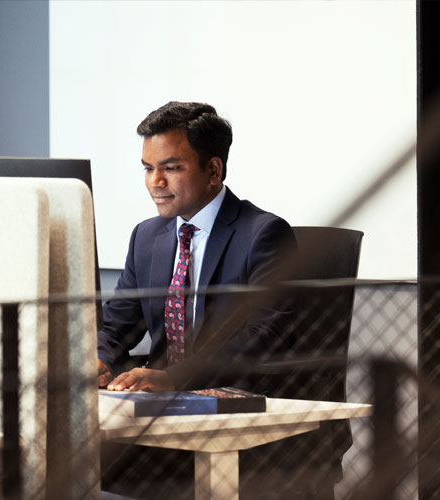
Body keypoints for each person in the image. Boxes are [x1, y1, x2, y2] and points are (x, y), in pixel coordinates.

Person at [97, 101, 314, 499]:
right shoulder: (146, 236)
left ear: (213, 170)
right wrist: (99, 358)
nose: (155, 182)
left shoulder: (263, 234)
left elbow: (264, 335)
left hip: (240, 421)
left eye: (171, 167)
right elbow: (116, 325)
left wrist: (174, 378)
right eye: (148, 168)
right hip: (163, 422)